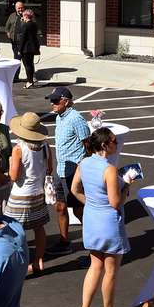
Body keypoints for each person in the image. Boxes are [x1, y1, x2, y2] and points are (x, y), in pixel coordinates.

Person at [72, 127, 132, 307]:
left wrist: (89, 202)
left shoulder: (84, 163)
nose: (117, 144)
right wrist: (127, 186)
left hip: (91, 219)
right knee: (111, 269)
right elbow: (115, 202)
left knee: (95, 266)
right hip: (108, 222)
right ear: (105, 145)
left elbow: (75, 189)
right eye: (114, 141)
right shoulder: (109, 169)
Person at [7, 111, 52, 274]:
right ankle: (38, 260)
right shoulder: (45, 146)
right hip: (38, 192)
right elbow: (50, 168)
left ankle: (19, 263)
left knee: (13, 230)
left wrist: (11, 162)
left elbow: (13, 176)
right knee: (39, 227)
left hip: (21, 194)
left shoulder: (19, 148)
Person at [47, 86, 89, 254]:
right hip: (61, 169)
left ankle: (93, 242)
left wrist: (83, 168)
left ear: (66, 101)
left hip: (74, 172)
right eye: (52, 101)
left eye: (56, 101)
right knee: (60, 207)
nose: (53, 104)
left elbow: (88, 144)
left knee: (79, 210)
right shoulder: (59, 117)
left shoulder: (76, 118)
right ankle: (64, 242)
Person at [13, 8, 40, 89]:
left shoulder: (25, 25)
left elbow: (23, 38)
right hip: (32, 48)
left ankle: (29, 81)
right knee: (30, 65)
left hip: (26, 48)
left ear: (26, 16)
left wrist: (19, 50)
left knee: (27, 65)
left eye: (24, 15)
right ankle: (31, 79)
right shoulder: (34, 24)